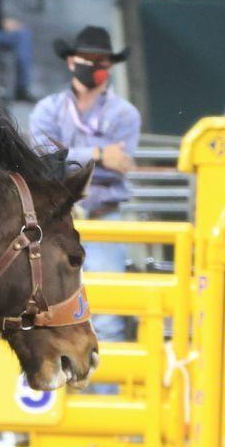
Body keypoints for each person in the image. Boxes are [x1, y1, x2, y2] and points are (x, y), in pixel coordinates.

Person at [29, 26, 141, 342]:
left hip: (104, 216)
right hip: (57, 220)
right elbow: (43, 160)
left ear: (110, 66)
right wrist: (99, 154)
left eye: (102, 60)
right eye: (88, 58)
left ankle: (105, 391)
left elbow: (117, 166)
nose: (95, 65)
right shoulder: (48, 109)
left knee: (106, 316)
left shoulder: (125, 114)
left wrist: (68, 158)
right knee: (47, 308)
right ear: (71, 62)